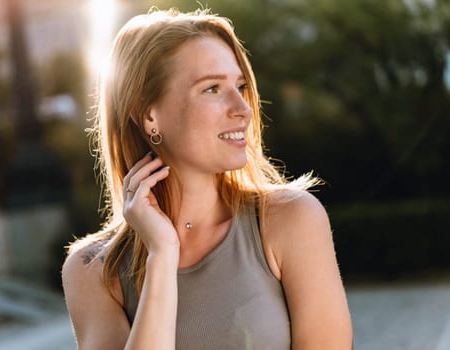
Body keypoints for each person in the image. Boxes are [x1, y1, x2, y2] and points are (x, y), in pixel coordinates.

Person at [62, 7, 353, 350]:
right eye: (212, 88)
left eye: (240, 86)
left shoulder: (291, 219)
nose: (242, 109)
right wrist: (162, 254)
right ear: (149, 114)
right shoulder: (92, 270)